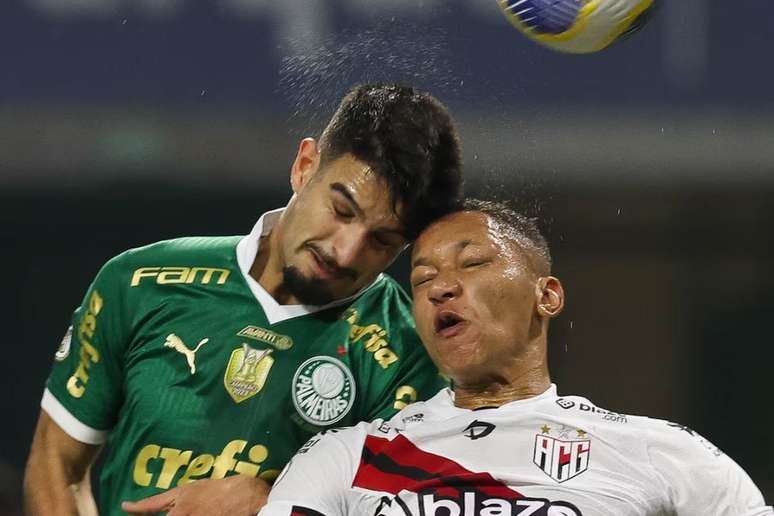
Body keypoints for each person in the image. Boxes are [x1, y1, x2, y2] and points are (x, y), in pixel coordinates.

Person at [23, 83, 463, 516]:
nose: (345, 251)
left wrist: (275, 501)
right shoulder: (140, 281)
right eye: (341, 211)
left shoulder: (409, 353)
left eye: (382, 241)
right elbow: (55, 466)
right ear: (305, 166)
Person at [259, 199, 773, 516]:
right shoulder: (347, 458)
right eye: (422, 279)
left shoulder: (658, 453)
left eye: (473, 263)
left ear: (546, 296)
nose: (442, 288)